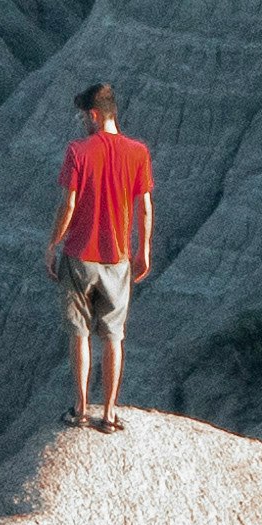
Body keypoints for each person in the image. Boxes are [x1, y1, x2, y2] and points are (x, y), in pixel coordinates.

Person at [45, 80, 152, 431]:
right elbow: (145, 208)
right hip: (118, 257)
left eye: (83, 117)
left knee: (80, 333)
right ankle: (108, 413)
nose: (82, 124)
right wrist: (144, 250)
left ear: (94, 115)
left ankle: (79, 408)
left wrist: (52, 244)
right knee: (114, 336)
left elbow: (69, 203)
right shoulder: (138, 152)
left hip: (79, 255)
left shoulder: (78, 151)